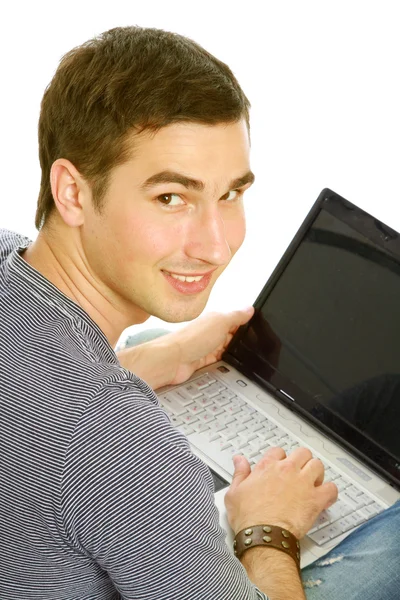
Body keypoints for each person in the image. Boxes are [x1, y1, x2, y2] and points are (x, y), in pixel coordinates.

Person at [0, 26, 399, 600]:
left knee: (382, 399)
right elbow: (92, 435)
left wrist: (158, 356)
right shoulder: (128, 446)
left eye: (231, 194)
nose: (216, 244)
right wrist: (267, 530)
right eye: (171, 198)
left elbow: (47, 403)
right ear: (73, 191)